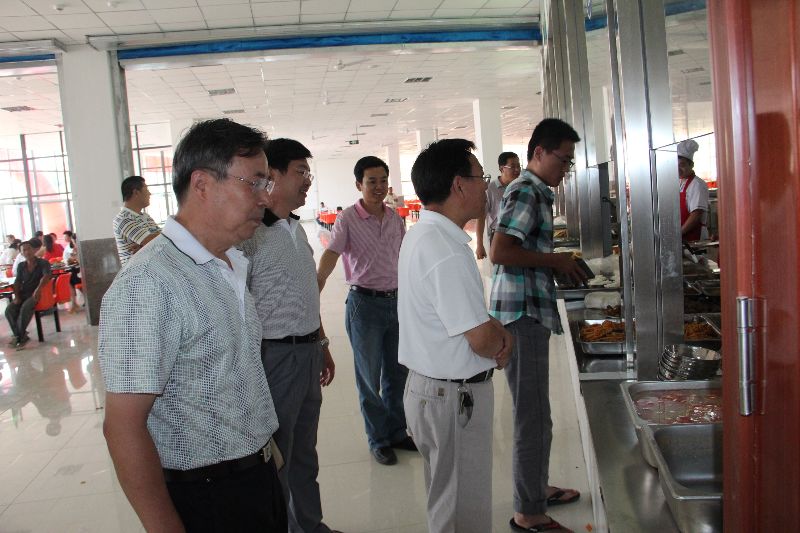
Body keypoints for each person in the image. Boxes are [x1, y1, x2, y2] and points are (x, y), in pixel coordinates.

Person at [98, 118, 286, 532]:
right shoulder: (149, 283)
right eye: (254, 183)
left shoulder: (230, 263)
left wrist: (265, 452)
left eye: (267, 183)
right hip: (205, 496)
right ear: (201, 184)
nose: (265, 198)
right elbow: (123, 427)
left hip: (257, 476)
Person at [399, 138, 513, 533]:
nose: (486, 186)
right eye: (481, 177)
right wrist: (502, 341)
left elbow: (464, 317)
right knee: (462, 513)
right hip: (453, 398)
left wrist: (493, 329)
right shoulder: (445, 250)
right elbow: (481, 338)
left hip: (430, 391)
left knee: (447, 501)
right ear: (459, 185)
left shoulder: (422, 236)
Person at [489, 118, 586, 533]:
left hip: (527, 310)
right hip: (521, 315)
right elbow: (500, 251)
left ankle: (536, 488)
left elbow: (520, 246)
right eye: (563, 159)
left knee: (538, 414)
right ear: (540, 152)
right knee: (532, 416)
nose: (566, 168)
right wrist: (555, 261)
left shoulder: (534, 191)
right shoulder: (527, 190)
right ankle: (528, 513)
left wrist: (554, 262)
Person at [240, 138, 339, 533]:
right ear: (274, 175)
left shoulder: (296, 229)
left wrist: (322, 343)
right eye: (300, 171)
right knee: (277, 456)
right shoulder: (251, 234)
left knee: (304, 454)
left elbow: (306, 294)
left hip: (308, 352)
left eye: (308, 173)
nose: (307, 180)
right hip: (275, 358)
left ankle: (310, 526)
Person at [317, 156, 414, 466]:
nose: (379, 187)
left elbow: (404, 258)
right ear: (359, 184)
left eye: (383, 181)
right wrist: (317, 284)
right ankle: (378, 439)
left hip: (396, 303)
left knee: (397, 373)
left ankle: (397, 432)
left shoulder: (395, 218)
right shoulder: (348, 218)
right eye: (372, 181)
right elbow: (332, 253)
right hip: (365, 305)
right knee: (369, 377)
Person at [5, 239, 51, 349]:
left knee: (25, 308)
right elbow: (17, 282)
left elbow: (46, 276)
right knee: (9, 310)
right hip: (24, 293)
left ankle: (19, 337)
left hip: (39, 294)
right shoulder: (21, 266)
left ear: (34, 250)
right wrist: (17, 297)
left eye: (29, 249)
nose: (27, 252)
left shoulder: (43, 263)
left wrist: (38, 289)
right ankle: (20, 336)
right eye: (24, 250)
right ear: (21, 253)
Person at [475, 152, 522, 260]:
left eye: (518, 166)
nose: (517, 170)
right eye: (513, 166)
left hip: (518, 236)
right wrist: (479, 245)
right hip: (498, 236)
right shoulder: (490, 189)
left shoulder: (520, 187)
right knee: (500, 268)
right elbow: (481, 217)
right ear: (502, 168)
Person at [112, 175, 161, 266]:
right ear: (136, 192)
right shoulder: (123, 219)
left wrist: (145, 246)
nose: (150, 194)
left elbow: (163, 241)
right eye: (146, 189)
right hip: (137, 272)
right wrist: (149, 243)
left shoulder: (146, 217)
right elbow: (151, 240)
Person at [677, 139, 709, 241]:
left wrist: (678, 234)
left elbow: (696, 215)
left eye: (682, 165)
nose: (678, 169)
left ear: (691, 165)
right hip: (682, 239)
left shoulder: (697, 184)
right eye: (675, 165)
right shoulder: (678, 183)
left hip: (694, 238)